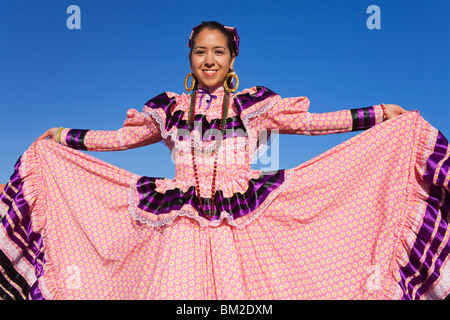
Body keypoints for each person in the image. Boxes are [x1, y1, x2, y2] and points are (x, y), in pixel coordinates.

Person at [1, 21, 449, 300]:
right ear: (190, 59)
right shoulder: (169, 109)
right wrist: (63, 136)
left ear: (232, 58)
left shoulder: (252, 105)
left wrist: (376, 114)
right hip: (180, 220)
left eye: (218, 51)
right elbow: (119, 139)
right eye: (200, 51)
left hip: (241, 221)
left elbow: (314, 123)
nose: (209, 59)